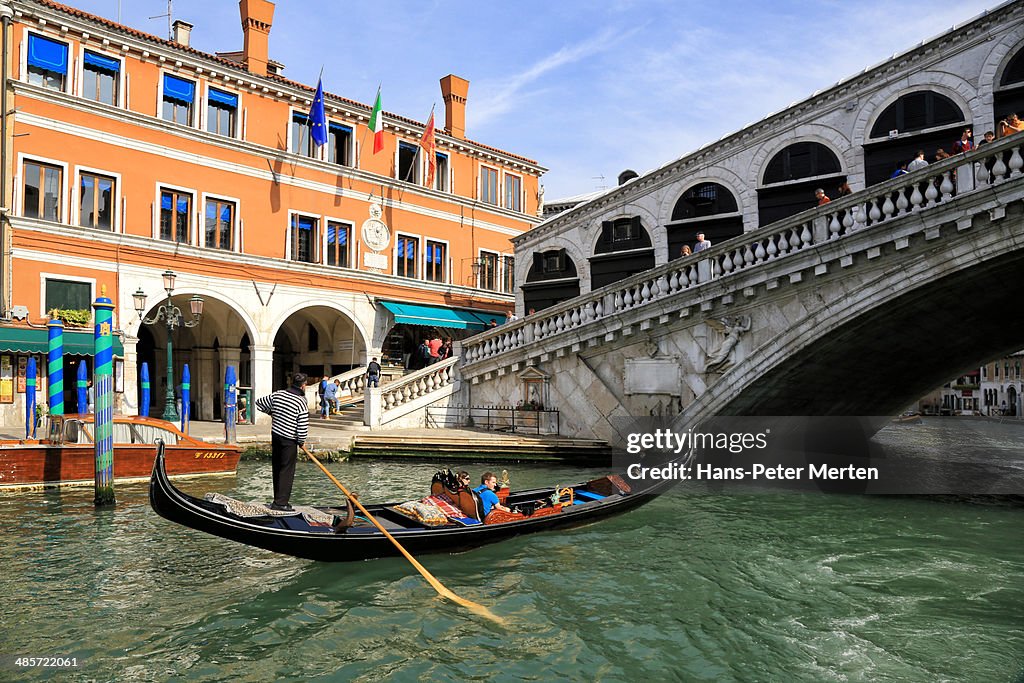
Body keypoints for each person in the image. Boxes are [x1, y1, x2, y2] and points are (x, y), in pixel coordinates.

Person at [255, 372, 309, 512]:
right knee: (286, 470)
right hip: (289, 439)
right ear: (303, 386)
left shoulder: (278, 394)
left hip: (276, 435)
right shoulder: (301, 401)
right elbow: (302, 424)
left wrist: (274, 413)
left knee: (277, 468)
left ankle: (277, 500)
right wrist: (301, 440)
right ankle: (281, 503)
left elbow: (259, 403)